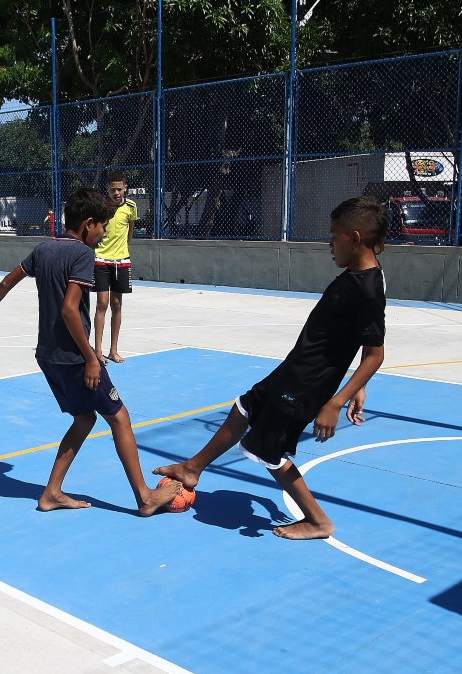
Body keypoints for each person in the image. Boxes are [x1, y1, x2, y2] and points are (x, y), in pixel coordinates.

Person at [153, 196, 389, 540]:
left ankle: (318, 521)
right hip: (294, 370)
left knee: (269, 451)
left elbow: (375, 354)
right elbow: (356, 339)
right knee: (244, 408)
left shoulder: (366, 289)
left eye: (334, 236)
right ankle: (192, 468)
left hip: (307, 382)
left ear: (355, 238)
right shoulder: (358, 275)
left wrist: (337, 400)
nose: (329, 244)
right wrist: (359, 385)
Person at [0, 188, 181, 516]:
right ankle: (144, 497)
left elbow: (6, 282)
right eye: (102, 227)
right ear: (88, 224)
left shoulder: (43, 249)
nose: (104, 233)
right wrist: (90, 358)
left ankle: (51, 493)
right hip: (73, 357)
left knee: (85, 418)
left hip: (48, 355)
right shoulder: (83, 255)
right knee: (120, 418)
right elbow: (71, 310)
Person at [93, 170, 137, 364]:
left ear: (125, 188)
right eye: (113, 189)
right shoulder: (101, 207)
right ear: (107, 189)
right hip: (101, 259)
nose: (116, 193)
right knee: (102, 304)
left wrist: (122, 249)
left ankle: (113, 350)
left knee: (117, 304)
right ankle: (98, 351)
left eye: (119, 189)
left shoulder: (131, 207)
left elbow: (130, 231)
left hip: (122, 260)